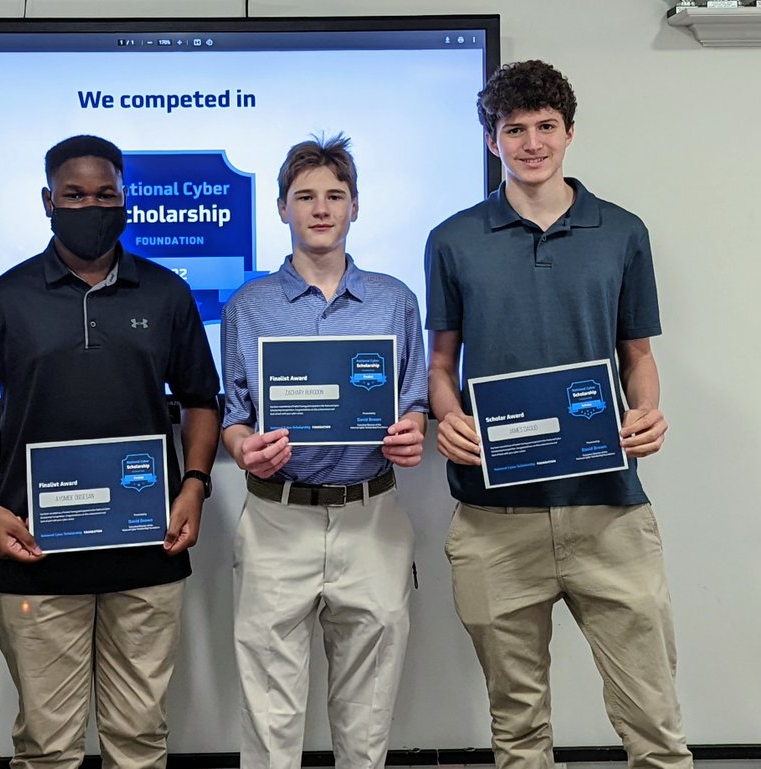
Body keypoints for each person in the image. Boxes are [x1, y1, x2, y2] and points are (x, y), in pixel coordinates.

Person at [425, 60, 691, 769]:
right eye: (515, 129)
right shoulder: (452, 239)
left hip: (609, 508)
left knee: (656, 726)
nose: (532, 142)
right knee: (518, 734)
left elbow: (636, 354)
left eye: (546, 126)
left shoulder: (622, 232)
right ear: (493, 140)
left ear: (569, 132)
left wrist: (650, 411)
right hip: (494, 517)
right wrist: (445, 417)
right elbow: (441, 365)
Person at [0, 134, 220, 769]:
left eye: (106, 194)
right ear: (47, 201)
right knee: (47, 746)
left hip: (147, 553)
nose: (92, 206)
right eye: (75, 195)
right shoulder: (3, 302)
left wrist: (194, 484)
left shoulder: (167, 295)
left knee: (140, 740)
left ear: (126, 200)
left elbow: (204, 398)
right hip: (35, 554)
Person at [220, 134, 428, 769]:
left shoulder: (396, 300)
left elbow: (413, 400)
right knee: (270, 709)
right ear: (282, 208)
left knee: (367, 711)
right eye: (304, 196)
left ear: (355, 207)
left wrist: (412, 430)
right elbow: (233, 416)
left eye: (335, 195)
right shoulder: (248, 306)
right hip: (278, 519)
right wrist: (244, 448)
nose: (320, 208)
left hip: (371, 516)